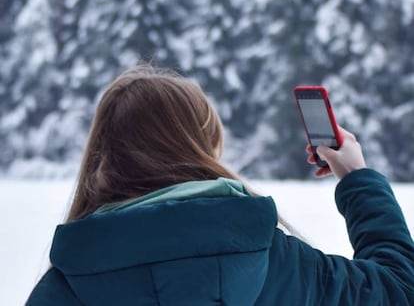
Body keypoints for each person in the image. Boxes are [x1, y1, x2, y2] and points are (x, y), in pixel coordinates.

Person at [26, 63, 414, 305]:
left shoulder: (64, 287)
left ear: (102, 155)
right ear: (202, 148)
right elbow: (400, 290)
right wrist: (357, 178)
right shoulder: (278, 264)